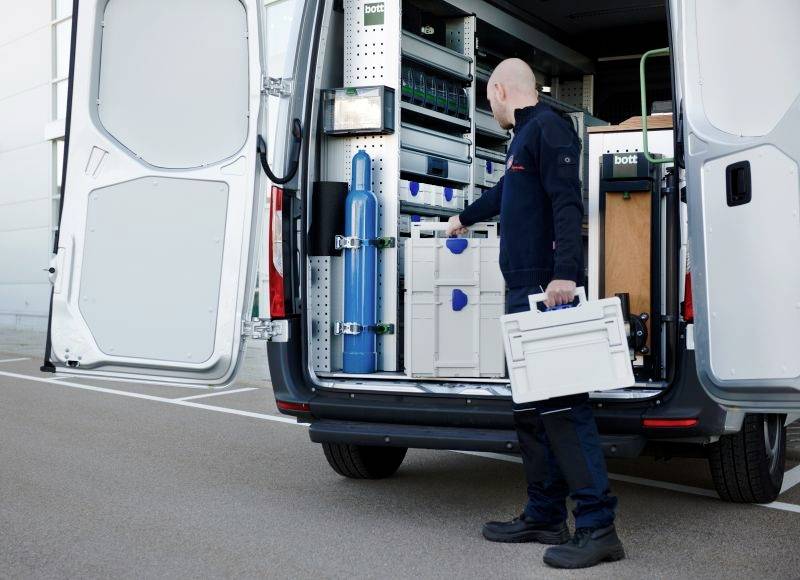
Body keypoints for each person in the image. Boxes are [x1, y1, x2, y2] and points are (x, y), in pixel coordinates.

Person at [446, 58, 625, 569]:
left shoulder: (550, 129)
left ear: (500, 89)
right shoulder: (522, 139)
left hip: (548, 290)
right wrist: (465, 217)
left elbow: (567, 204)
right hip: (520, 287)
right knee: (530, 412)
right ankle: (544, 513)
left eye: (489, 101)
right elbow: (509, 193)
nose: (491, 110)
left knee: (565, 411)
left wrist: (564, 275)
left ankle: (597, 526)